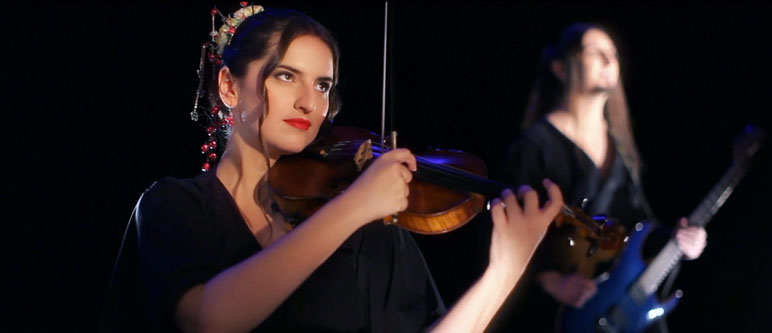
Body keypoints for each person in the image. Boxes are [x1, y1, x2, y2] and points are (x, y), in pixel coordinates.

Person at [104, 5, 565, 332]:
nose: (310, 101)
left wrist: (504, 271)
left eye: (323, 85)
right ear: (228, 85)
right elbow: (211, 319)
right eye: (286, 75)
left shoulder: (373, 226)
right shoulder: (175, 206)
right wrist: (354, 205)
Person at [494, 23, 707, 332]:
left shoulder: (621, 149)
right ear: (560, 67)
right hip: (559, 314)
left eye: (613, 54)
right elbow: (503, 230)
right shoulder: (535, 147)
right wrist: (550, 280)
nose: (609, 62)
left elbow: (640, 226)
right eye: (595, 52)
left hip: (616, 309)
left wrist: (682, 242)